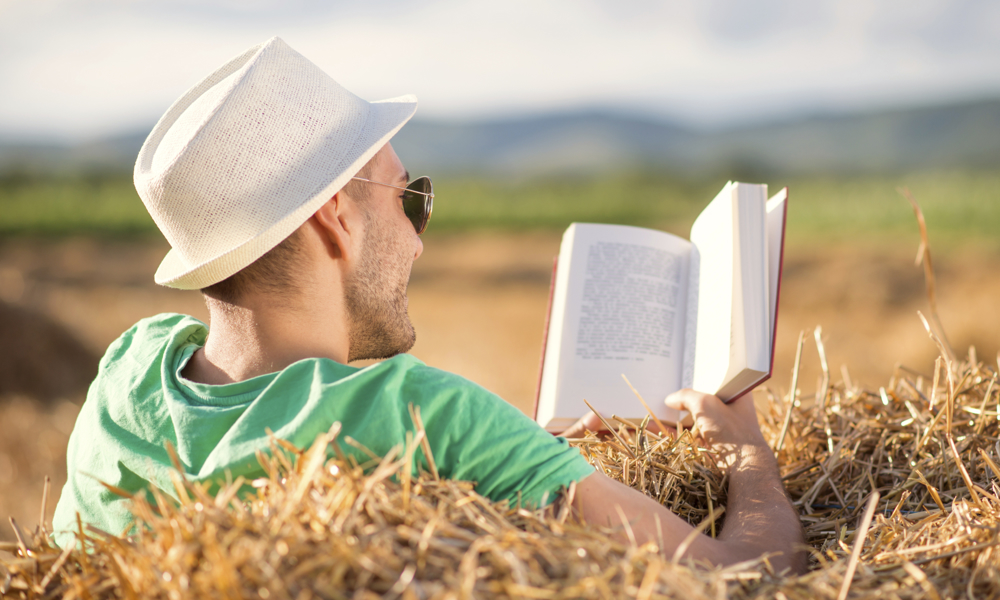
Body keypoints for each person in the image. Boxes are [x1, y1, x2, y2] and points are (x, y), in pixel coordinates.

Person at [53, 37, 805, 573]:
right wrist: (748, 454)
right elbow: (751, 574)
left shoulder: (126, 375)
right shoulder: (424, 414)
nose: (417, 241)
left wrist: (518, 456)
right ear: (334, 217)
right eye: (409, 198)